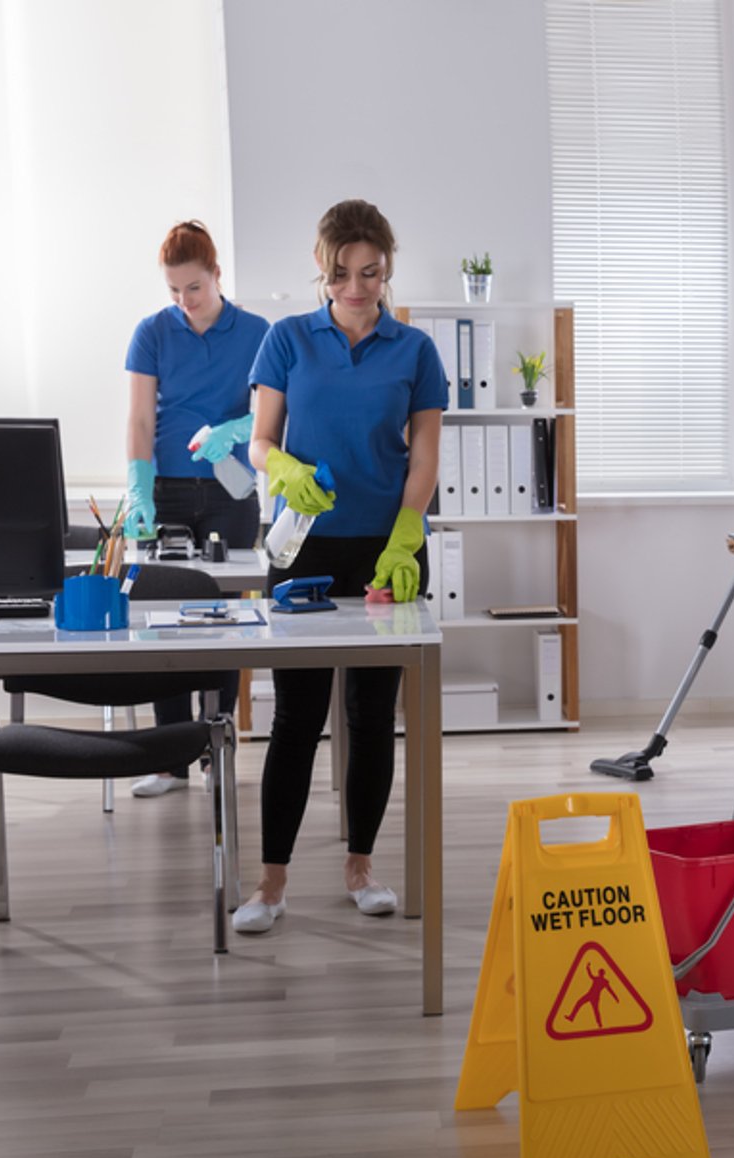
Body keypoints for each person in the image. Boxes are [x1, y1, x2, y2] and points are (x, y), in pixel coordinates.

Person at [233, 199, 446, 934]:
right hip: (305, 545)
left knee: (369, 713)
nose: (357, 289)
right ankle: (269, 883)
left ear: (388, 269)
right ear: (320, 271)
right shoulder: (286, 340)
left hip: (385, 548)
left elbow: (422, 453)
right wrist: (282, 466)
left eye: (372, 273)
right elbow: (260, 442)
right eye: (342, 274)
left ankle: (361, 866)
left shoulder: (414, 350)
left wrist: (407, 532)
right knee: (295, 715)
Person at [122, 220, 270, 798]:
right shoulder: (152, 332)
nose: (185, 301)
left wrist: (232, 429)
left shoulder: (257, 331)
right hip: (169, 491)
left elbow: (269, 413)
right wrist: (138, 487)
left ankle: (216, 750)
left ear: (217, 275)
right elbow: (138, 417)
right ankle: (170, 759)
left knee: (228, 623)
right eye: (174, 291)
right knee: (165, 623)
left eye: (194, 288)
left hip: (231, 489)